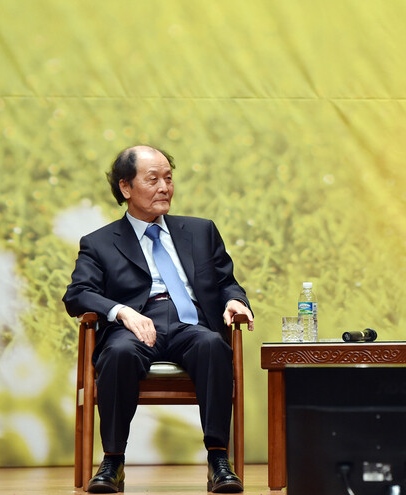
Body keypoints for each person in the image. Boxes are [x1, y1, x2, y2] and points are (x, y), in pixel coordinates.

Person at [64, 145, 253, 494]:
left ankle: (218, 460)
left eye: (168, 178)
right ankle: (112, 462)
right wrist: (121, 311)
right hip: (134, 326)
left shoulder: (201, 231)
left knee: (212, 344)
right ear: (126, 187)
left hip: (189, 324)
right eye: (153, 179)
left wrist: (236, 302)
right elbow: (77, 294)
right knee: (118, 354)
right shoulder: (99, 242)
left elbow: (227, 282)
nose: (165, 187)